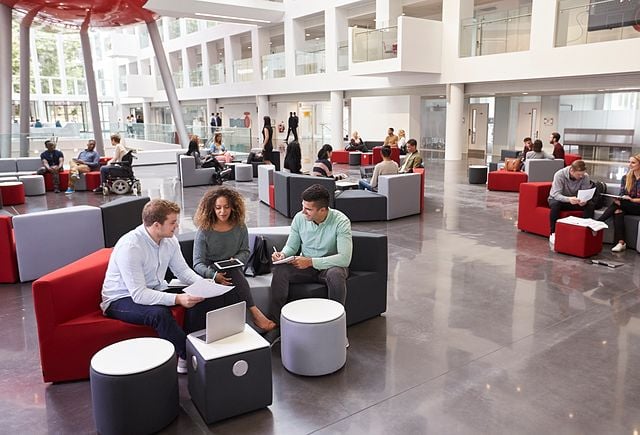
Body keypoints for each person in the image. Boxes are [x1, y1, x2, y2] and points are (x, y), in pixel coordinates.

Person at [100, 199, 208, 374]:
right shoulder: (131, 247)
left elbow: (182, 271)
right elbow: (139, 295)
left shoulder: (169, 240)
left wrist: (203, 285)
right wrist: (178, 298)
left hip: (155, 289)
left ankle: (188, 353)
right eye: (172, 222)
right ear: (157, 225)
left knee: (199, 297)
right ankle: (190, 356)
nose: (177, 226)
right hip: (121, 299)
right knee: (159, 314)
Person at [192, 187, 276, 332]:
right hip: (211, 271)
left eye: (226, 207)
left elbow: (245, 251)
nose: (222, 212)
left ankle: (233, 328)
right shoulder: (204, 231)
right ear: (212, 208)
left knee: (233, 273)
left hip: (233, 267)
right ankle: (255, 313)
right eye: (218, 208)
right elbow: (198, 263)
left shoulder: (240, 226)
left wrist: (236, 259)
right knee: (234, 276)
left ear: (233, 208)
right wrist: (214, 275)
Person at [270, 184, 352, 330]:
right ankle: (275, 324)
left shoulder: (341, 221)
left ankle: (336, 328)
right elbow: (292, 247)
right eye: (303, 206)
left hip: (330, 267)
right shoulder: (299, 218)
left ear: (322, 210)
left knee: (336, 274)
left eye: (308, 209)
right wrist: (282, 254)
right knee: (280, 269)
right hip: (305, 266)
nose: (303, 212)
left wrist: (311, 262)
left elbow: (344, 259)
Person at [597, 154, 640, 252]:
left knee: (618, 205)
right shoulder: (626, 177)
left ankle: (598, 221)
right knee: (618, 211)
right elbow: (622, 193)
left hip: (638, 207)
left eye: (633, 163)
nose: (630, 165)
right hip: (627, 206)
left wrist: (632, 200)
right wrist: (620, 198)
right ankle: (621, 243)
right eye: (629, 162)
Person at [548, 160, 595, 249]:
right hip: (559, 199)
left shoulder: (585, 177)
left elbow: (585, 192)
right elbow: (556, 194)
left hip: (575, 200)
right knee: (555, 205)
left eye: (582, 174)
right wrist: (568, 199)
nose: (581, 176)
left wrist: (584, 200)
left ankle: (585, 231)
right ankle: (553, 232)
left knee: (590, 205)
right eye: (578, 174)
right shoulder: (560, 175)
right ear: (571, 171)